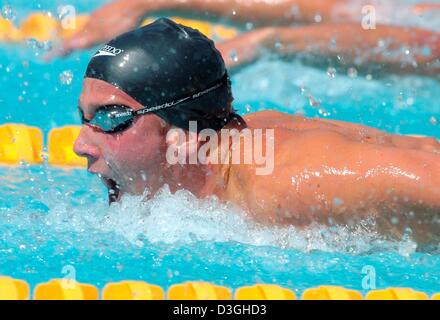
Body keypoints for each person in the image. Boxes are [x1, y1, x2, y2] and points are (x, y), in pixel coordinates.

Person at [74, 18, 440, 246]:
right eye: (83, 117)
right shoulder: (232, 151)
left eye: (109, 118)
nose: (79, 144)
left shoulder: (287, 183)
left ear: (184, 135)